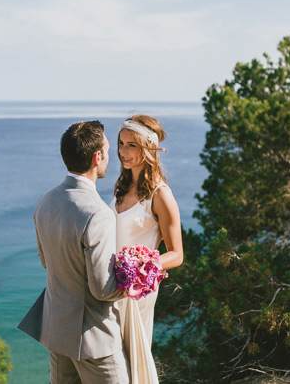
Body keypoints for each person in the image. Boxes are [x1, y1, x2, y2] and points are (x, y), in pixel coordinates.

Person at [18, 120, 130, 384]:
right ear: (96, 157)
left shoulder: (45, 201)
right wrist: (135, 280)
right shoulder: (97, 213)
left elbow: (46, 261)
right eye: (107, 150)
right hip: (94, 339)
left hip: (56, 332)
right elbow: (103, 289)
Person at [110, 114, 184, 383]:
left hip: (136, 291)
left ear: (148, 149)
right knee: (110, 360)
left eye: (131, 145)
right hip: (109, 287)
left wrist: (141, 266)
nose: (122, 152)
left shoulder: (161, 194)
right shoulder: (121, 186)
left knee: (131, 362)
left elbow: (177, 254)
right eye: (120, 143)